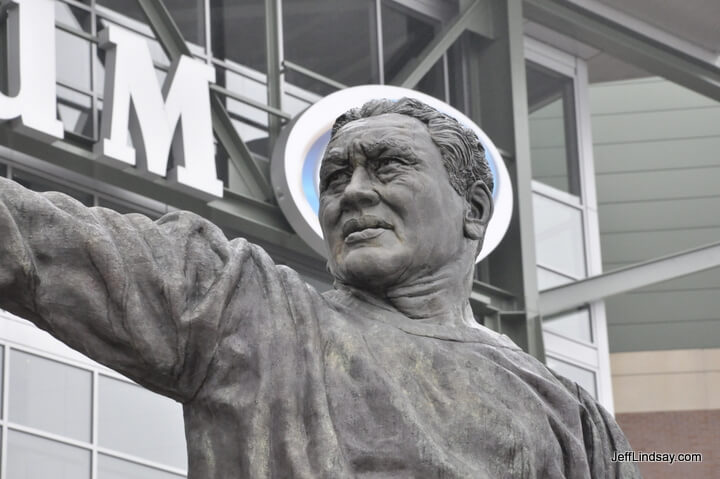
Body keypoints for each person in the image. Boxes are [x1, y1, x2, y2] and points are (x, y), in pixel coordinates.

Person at [0, 98, 640, 478]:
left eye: (388, 165)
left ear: (473, 210)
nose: (353, 191)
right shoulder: (244, 307)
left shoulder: (578, 421)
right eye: (336, 176)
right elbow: (32, 239)